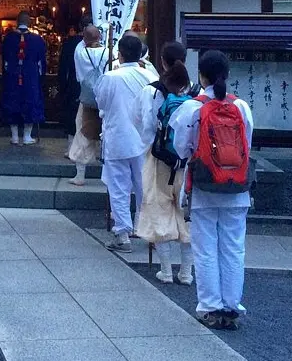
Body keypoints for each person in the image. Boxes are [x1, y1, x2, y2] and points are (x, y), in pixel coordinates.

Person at [169, 49, 254, 330]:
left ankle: (209, 306)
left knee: (205, 248)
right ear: (227, 75)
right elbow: (247, 145)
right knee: (233, 247)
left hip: (204, 186)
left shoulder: (191, 108)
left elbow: (181, 149)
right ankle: (232, 305)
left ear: (200, 75)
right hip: (237, 187)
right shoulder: (241, 107)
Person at [136, 41, 195, 285]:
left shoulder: (153, 91)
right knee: (187, 213)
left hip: (159, 159)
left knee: (159, 209)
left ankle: (167, 271)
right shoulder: (195, 93)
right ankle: (187, 272)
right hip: (188, 162)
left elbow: (143, 124)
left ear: (162, 61)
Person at [95, 34, 155, 251]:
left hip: (118, 137)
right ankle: (147, 229)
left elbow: (100, 102)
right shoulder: (149, 76)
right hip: (143, 139)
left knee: (118, 187)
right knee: (144, 186)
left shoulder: (111, 77)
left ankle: (123, 234)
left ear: (119, 54)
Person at [67, 24, 107, 186]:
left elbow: (82, 42)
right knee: (107, 136)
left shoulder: (80, 53)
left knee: (83, 134)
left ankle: (80, 175)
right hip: (105, 99)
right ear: (99, 37)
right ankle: (107, 173)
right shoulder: (108, 53)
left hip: (87, 99)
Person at [0, 11, 46, 145]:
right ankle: (27, 135)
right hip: (30, 76)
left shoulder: (8, 38)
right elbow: (41, 62)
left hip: (12, 75)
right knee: (30, 102)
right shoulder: (37, 40)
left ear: (16, 22)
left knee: (12, 101)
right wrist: (41, 77)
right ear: (29, 22)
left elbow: (4, 60)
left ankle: (14, 136)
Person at [57, 16, 91, 156]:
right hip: (90, 85)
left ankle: (71, 147)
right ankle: (88, 149)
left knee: (72, 115)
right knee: (89, 116)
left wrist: (62, 85)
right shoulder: (97, 44)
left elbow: (62, 67)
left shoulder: (70, 43)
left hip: (73, 83)